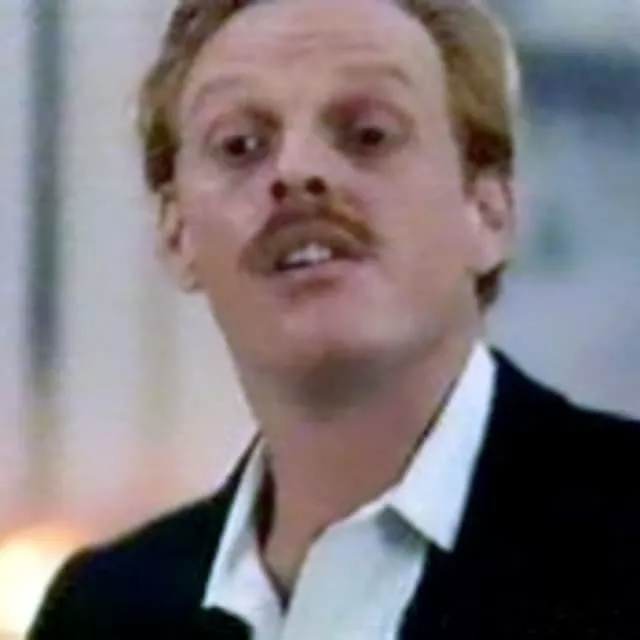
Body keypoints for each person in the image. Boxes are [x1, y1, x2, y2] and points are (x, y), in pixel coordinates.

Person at [30, 0, 640, 638]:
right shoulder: (99, 612)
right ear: (177, 234)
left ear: (488, 212)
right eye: (240, 146)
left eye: (369, 134)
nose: (297, 171)